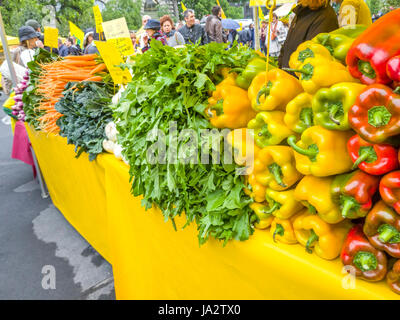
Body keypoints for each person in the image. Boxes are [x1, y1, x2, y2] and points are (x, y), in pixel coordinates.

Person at [278, 0, 339, 69]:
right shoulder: (301, 12)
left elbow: (312, 60)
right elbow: (286, 46)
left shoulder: (325, 17)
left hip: (299, 78)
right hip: (287, 77)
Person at [1, 26, 40, 94]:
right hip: (20, 91)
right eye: (34, 38)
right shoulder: (17, 52)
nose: (36, 39)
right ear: (27, 40)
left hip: (31, 89)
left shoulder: (33, 51)